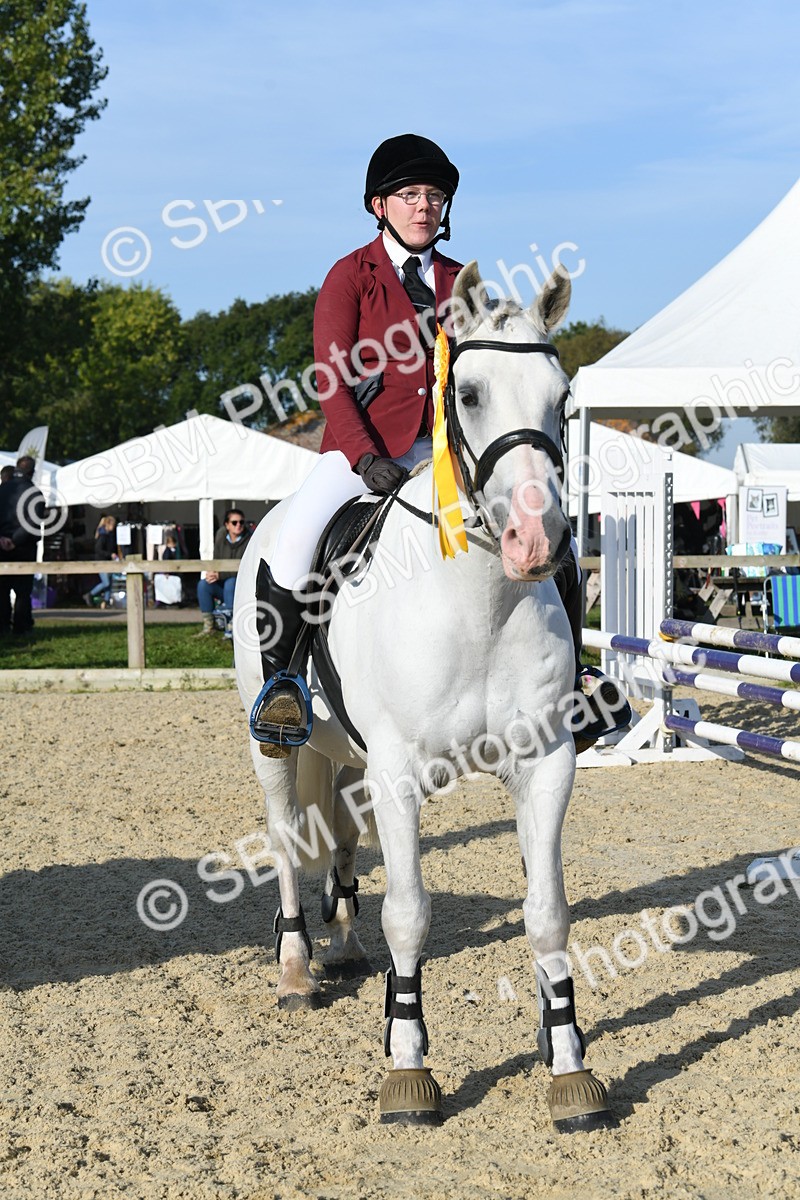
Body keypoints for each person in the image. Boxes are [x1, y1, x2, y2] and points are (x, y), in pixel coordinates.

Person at [251, 133, 628, 755]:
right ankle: (282, 684)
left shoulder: (463, 283)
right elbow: (331, 381)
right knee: (295, 540)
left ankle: (575, 679)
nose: (423, 206)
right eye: (409, 195)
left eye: (433, 196)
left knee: (542, 527)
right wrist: (365, 457)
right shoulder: (351, 277)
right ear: (380, 205)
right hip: (362, 452)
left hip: (449, 453)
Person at [0, 455, 44, 636]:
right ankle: (21, 626)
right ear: (32, 472)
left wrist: (3, 539)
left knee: (2, 589)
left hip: (1, 546)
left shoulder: (2, 490)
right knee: (23, 590)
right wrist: (15, 540)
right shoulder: (35, 494)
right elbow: (32, 523)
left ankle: (2, 626)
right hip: (24, 546)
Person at [196, 509, 251, 635]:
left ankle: (231, 626)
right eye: (234, 522)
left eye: (241, 522)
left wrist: (220, 575)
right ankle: (209, 626)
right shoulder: (221, 537)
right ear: (227, 524)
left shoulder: (250, 540)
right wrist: (212, 572)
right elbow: (216, 561)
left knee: (230, 583)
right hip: (222, 583)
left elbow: (246, 568)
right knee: (203, 585)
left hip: (242, 587)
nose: (238, 525)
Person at [83, 516, 118, 607]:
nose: (114, 527)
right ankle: (90, 594)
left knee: (109, 582)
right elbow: (98, 549)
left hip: (108, 561)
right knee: (106, 582)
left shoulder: (110, 535)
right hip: (101, 562)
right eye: (113, 525)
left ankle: (106, 600)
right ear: (108, 524)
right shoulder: (103, 536)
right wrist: (110, 554)